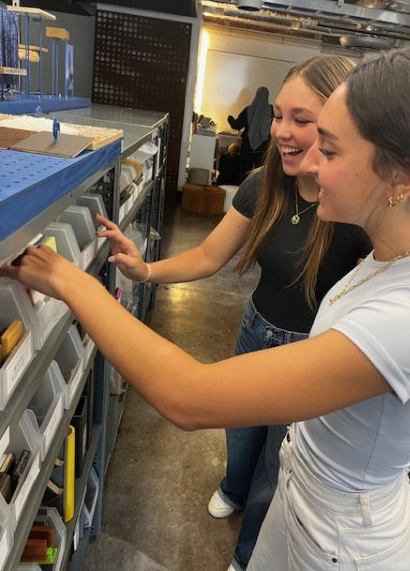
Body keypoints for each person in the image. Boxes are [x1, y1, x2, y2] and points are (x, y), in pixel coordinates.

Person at [2, 45, 410, 571]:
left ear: (399, 178)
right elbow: (211, 257)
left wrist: (73, 282)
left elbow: (188, 397)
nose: (312, 164)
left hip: (342, 548)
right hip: (303, 502)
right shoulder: (391, 255)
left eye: (329, 150)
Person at [83, 55, 366, 571]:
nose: (281, 131)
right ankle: (232, 489)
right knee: (241, 439)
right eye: (279, 115)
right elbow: (207, 257)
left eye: (302, 121)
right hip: (255, 329)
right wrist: (143, 270)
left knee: (277, 466)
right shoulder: (264, 186)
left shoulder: (353, 209)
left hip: (310, 354)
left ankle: (246, 552)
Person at [228, 86, 273, 183]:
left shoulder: (249, 110)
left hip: (247, 146)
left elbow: (236, 126)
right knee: (260, 174)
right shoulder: (271, 110)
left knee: (244, 171)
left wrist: (230, 118)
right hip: (263, 147)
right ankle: (257, 195)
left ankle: (243, 193)